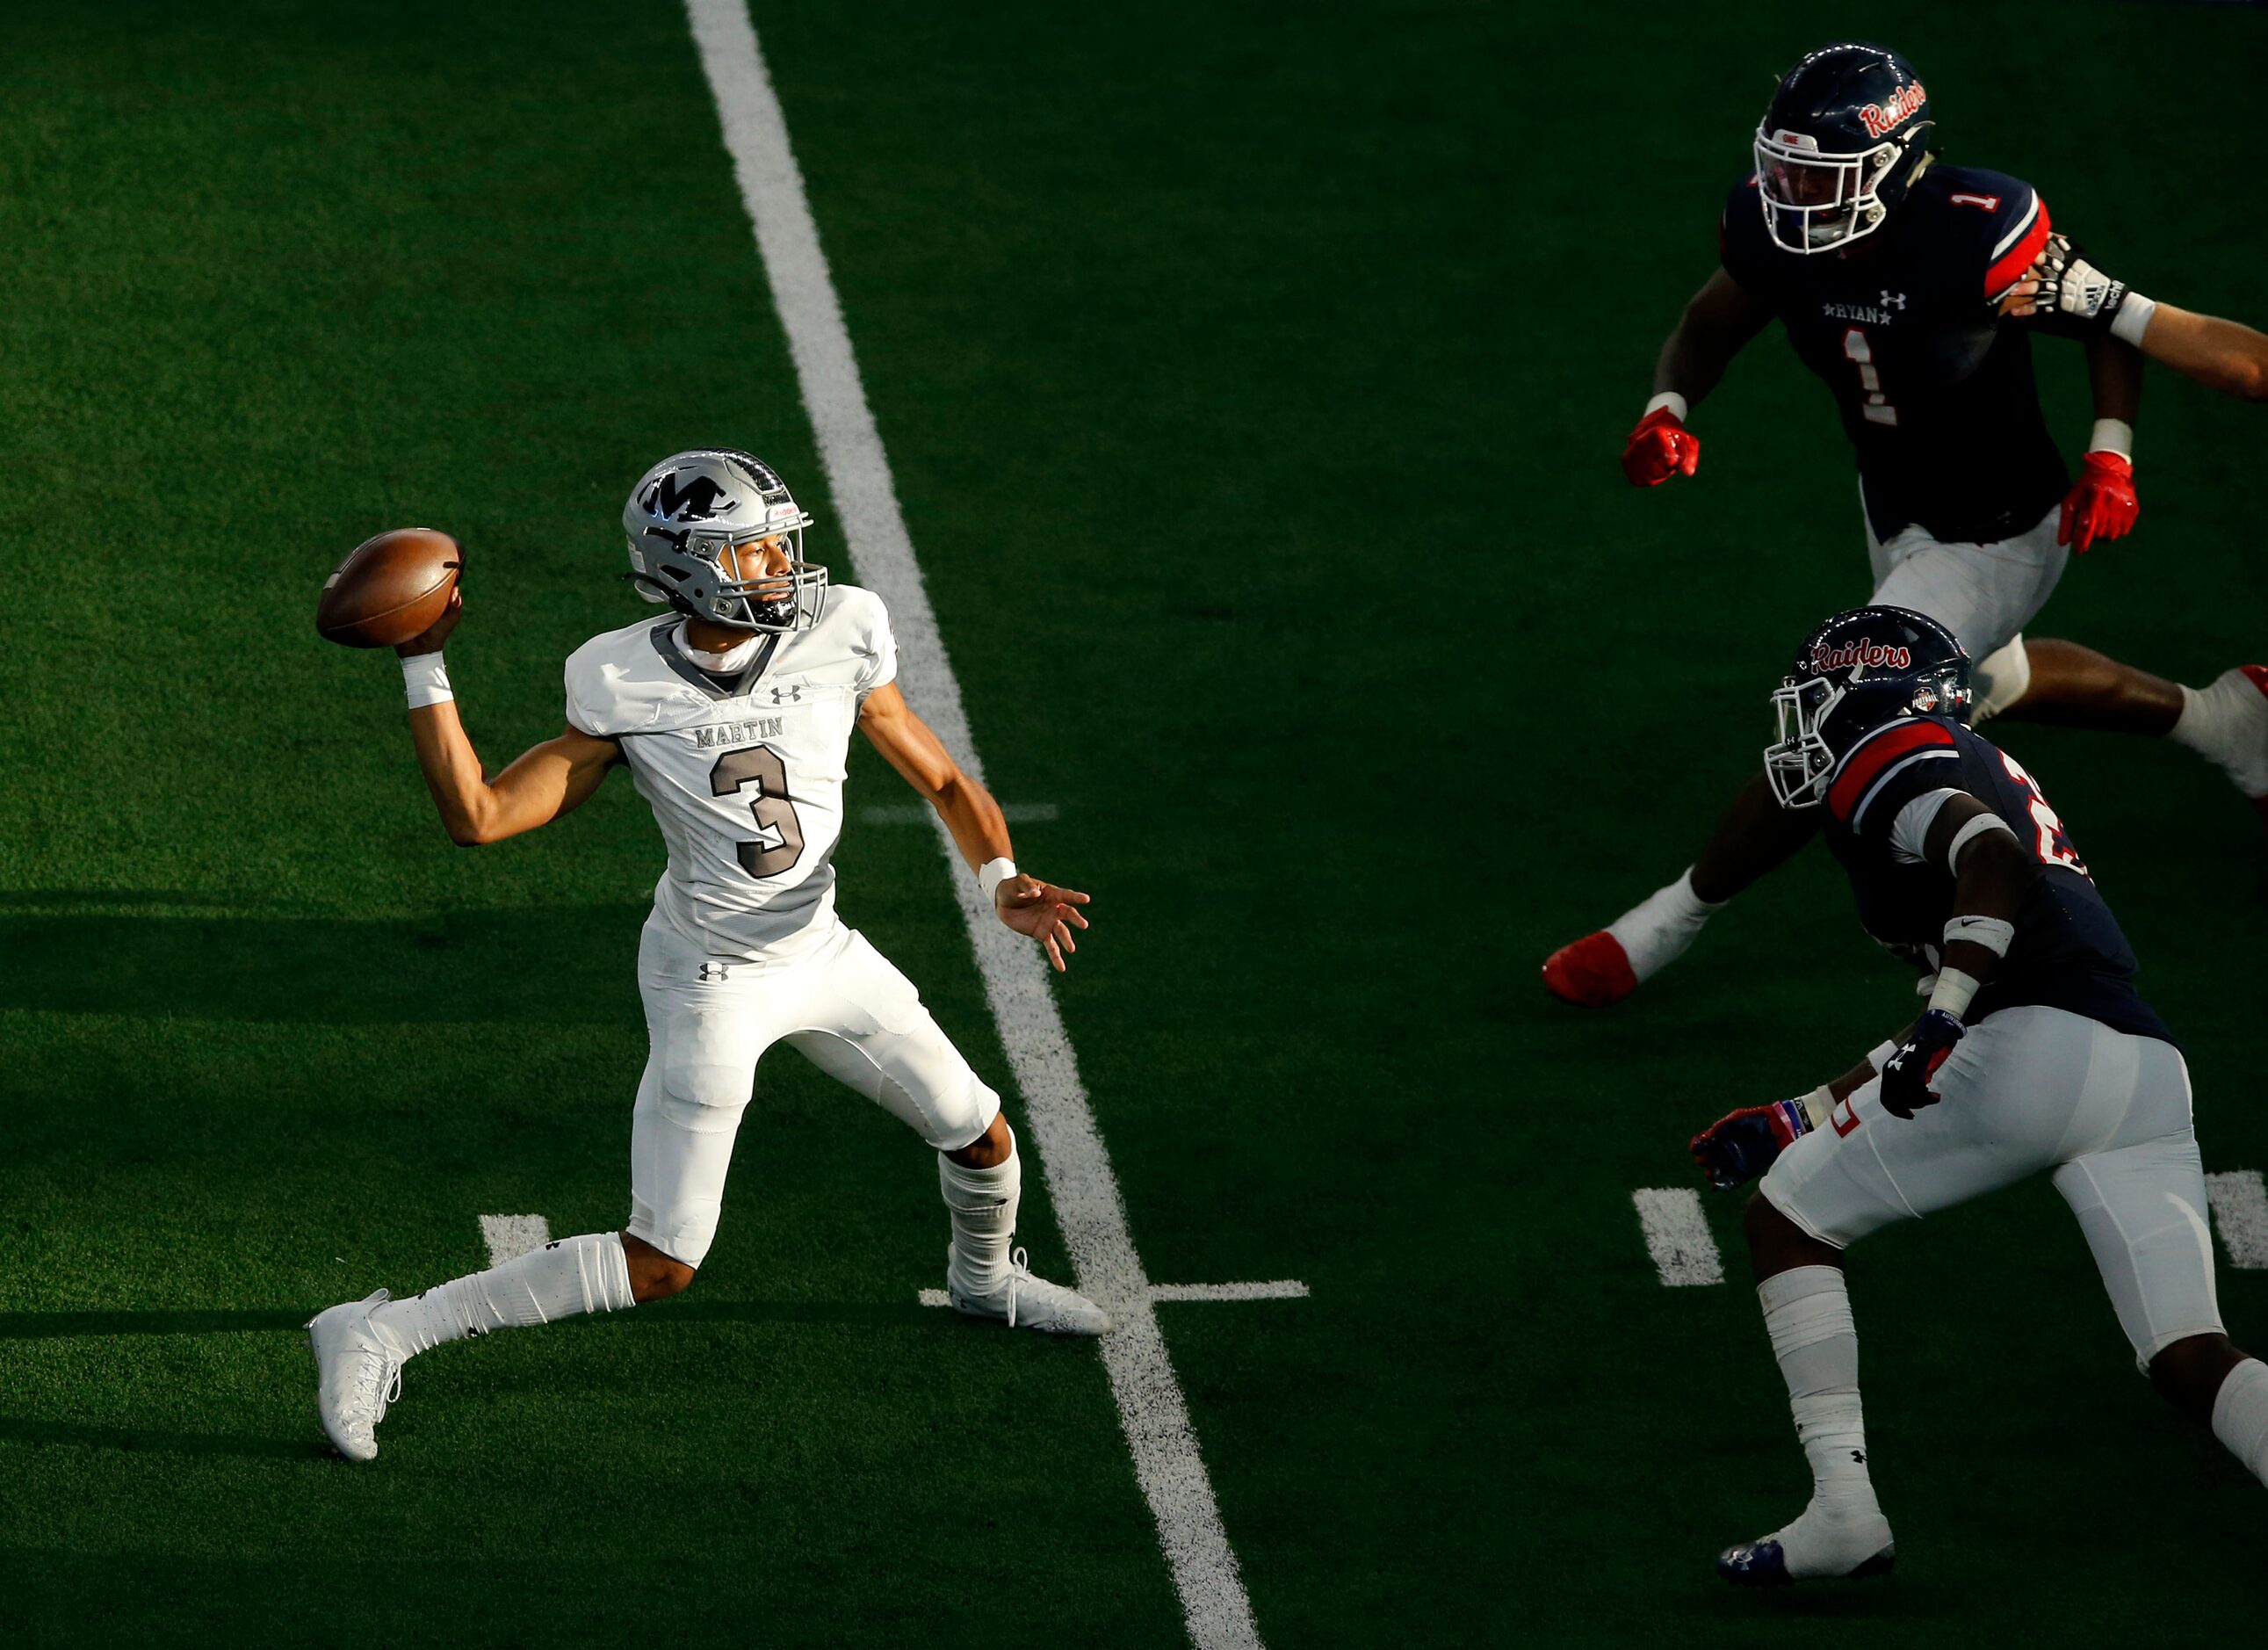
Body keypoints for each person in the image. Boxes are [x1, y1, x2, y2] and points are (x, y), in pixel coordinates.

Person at [306, 449, 1107, 1463]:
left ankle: (984, 1284)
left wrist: (1000, 877)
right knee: (662, 1261)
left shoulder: (842, 625)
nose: (783, 564)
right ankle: (380, 1329)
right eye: (754, 549)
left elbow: (938, 771)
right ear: (684, 567)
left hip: (819, 946)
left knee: (979, 1133)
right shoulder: (615, 674)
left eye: (781, 541)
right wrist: (423, 661)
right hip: (711, 979)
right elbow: (482, 816)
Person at [1542, 41, 2266, 1010]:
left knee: (1844, 710)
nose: (1789, 191)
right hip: (1891, 498)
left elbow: (2107, 324)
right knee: (1987, 675)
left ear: (1891, 162)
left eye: (1817, 172)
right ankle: (2228, 720)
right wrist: (1666, 407)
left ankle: (1671, 918)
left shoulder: (1976, 226)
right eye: (1781, 165)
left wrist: (2111, 451)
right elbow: (1709, 321)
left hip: (1999, 525)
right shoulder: (1770, 224)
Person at [1687, 605, 2268, 1585]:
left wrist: (1948, 1017)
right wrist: (1799, 1110)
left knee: (1784, 1221)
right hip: (2135, 1066)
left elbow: (1987, 860)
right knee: (2184, 1354)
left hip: (2029, 1047)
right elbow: (1982, 979)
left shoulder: (1886, 750)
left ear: (1864, 699)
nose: (1805, 728)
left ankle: (1843, 1510)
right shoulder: (1952, 752)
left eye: (1818, 704)